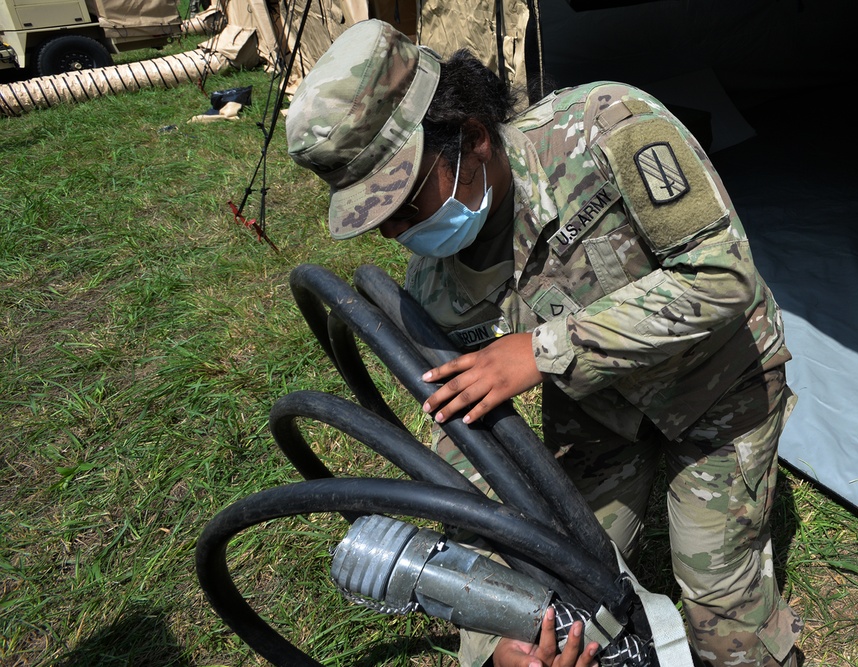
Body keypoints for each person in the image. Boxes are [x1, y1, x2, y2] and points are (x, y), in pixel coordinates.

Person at [286, 19, 802, 667]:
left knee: (720, 605)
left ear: (471, 138)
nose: (397, 235)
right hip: (599, 413)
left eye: (405, 205)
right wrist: (497, 634)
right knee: (547, 579)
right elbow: (470, 467)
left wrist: (539, 351)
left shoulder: (607, 126)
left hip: (718, 383)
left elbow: (723, 278)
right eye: (378, 221)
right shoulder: (435, 287)